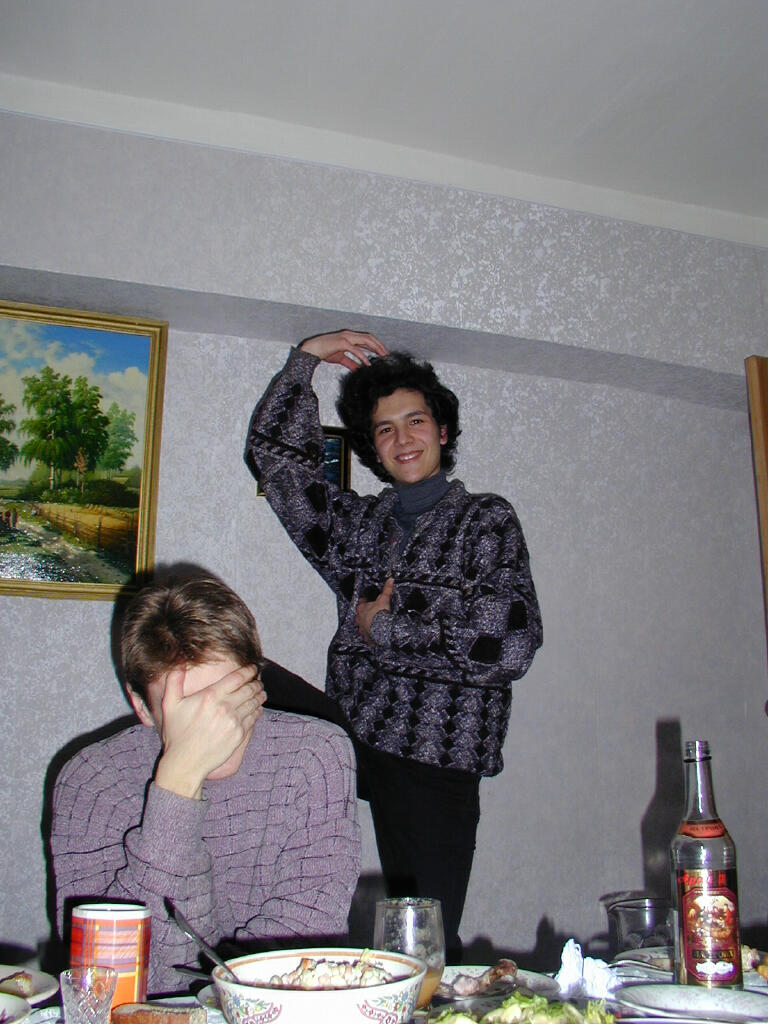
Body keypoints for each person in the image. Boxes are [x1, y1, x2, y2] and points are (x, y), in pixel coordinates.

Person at [245, 330, 542, 960]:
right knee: (233, 672)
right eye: (385, 429)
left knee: (424, 939)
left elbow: (510, 643)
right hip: (358, 728)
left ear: (442, 431)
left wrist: (386, 630)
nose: (402, 438)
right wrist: (305, 360)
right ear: (373, 448)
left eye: (415, 421)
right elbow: (277, 465)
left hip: (437, 756)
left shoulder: (486, 521)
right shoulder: (360, 526)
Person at [50, 572, 361, 994]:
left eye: (230, 697)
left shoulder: (316, 755)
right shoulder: (91, 782)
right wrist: (177, 785)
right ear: (141, 705)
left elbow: (298, 959)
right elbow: (109, 983)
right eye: (189, 708)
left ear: (257, 682)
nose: (217, 726)